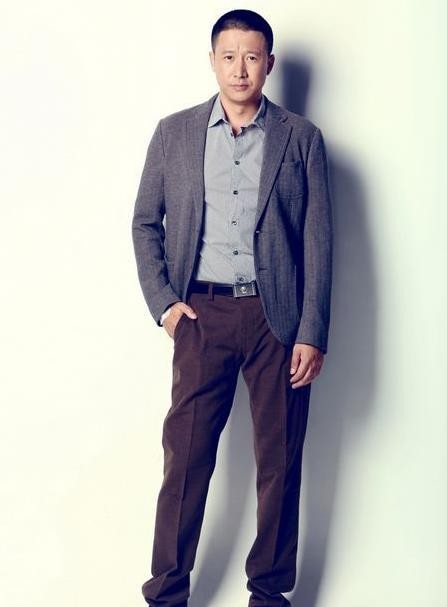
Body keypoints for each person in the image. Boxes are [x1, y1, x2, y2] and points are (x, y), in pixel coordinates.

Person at [131, 8, 333, 607]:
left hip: (278, 321)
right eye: (229, 56)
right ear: (213, 61)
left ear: (269, 63)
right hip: (201, 317)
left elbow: (318, 241)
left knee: (280, 463)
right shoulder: (174, 133)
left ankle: (268, 593)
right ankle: (167, 593)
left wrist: (311, 330)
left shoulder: (301, 138)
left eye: (252, 57)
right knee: (186, 461)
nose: (240, 68)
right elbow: (145, 223)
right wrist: (166, 305)